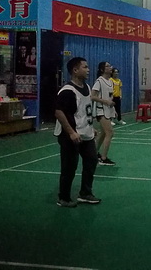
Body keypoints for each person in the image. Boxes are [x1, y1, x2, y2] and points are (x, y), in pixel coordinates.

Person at [54, 57, 101, 207]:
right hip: (70, 136)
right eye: (85, 67)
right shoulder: (68, 91)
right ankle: (64, 198)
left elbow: (82, 112)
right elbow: (59, 112)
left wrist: (90, 127)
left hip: (86, 134)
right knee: (69, 167)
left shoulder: (86, 87)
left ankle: (85, 193)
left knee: (91, 160)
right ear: (75, 70)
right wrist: (71, 132)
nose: (88, 70)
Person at [91, 61, 117, 166]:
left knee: (103, 133)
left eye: (110, 66)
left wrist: (113, 109)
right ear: (102, 69)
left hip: (108, 110)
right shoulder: (99, 81)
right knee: (110, 133)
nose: (110, 67)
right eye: (107, 66)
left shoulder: (110, 81)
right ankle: (103, 158)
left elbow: (110, 97)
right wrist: (105, 102)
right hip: (101, 111)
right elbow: (92, 96)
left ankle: (93, 154)